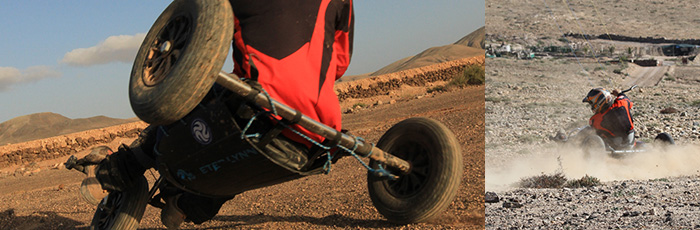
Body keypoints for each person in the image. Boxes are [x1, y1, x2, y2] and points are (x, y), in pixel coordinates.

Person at [82, 1, 354, 229]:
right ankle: (187, 206)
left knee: (198, 102)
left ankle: (118, 171)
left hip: (259, 110)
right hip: (318, 131)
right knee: (238, 146)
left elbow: (203, 29)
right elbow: (340, 63)